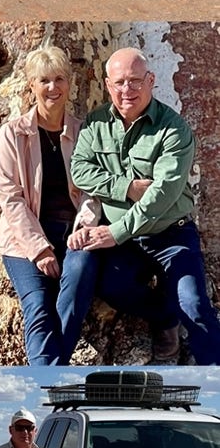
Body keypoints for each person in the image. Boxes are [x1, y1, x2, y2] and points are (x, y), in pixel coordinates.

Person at [69, 47, 220, 365]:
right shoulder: (96, 124)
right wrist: (125, 187)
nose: (128, 90)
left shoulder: (174, 129)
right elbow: (80, 170)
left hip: (171, 236)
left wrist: (115, 231)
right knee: (112, 286)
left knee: (193, 305)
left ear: (150, 81)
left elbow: (162, 194)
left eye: (136, 81)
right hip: (125, 242)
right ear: (108, 84)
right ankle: (165, 319)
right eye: (120, 82)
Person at [0, 46, 100, 365]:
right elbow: (10, 197)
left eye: (59, 79)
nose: (53, 88)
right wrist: (39, 249)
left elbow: (96, 191)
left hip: (76, 233)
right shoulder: (13, 134)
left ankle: (48, 373)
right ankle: (51, 376)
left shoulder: (85, 132)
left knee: (75, 286)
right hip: (23, 238)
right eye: (44, 80)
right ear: (31, 85)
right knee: (38, 304)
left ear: (70, 84)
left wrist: (83, 229)